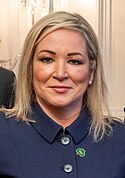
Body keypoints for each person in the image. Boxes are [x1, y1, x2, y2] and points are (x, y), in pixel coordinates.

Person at [0, 11, 125, 178]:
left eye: (74, 61)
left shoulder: (120, 138)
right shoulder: (3, 132)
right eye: (47, 60)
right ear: (30, 68)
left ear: (91, 72)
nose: (60, 73)